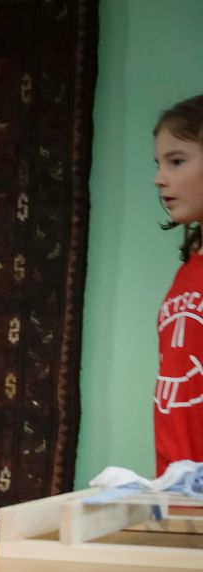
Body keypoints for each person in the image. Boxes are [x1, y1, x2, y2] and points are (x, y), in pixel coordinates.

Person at [153, 94, 203, 475]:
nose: (159, 178)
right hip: (179, 490)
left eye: (176, 161)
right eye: (159, 163)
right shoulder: (189, 267)